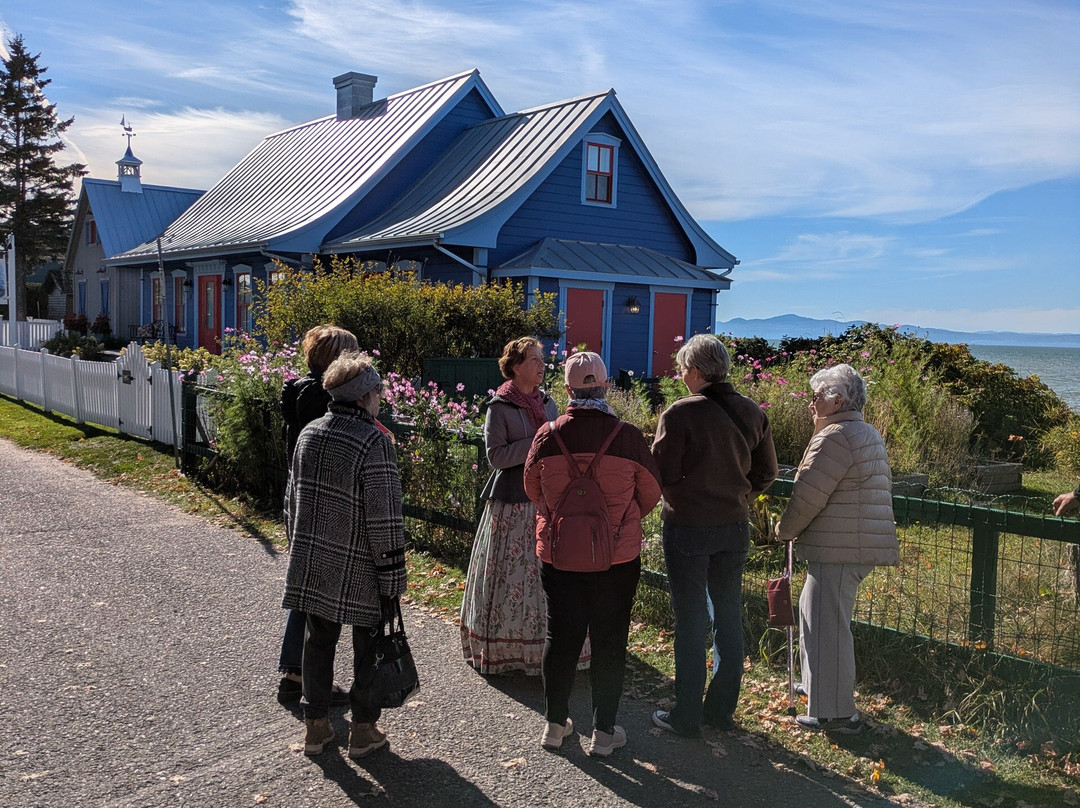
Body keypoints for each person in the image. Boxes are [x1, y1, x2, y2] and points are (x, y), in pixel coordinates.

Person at [524, 352, 661, 757]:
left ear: (567, 390)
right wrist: (622, 519)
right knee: (609, 640)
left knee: (560, 636)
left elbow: (532, 488)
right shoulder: (628, 436)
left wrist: (555, 516)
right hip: (616, 560)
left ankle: (554, 724)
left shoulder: (547, 435)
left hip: (560, 555)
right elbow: (651, 491)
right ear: (604, 387)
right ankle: (603, 732)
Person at [650, 334, 778, 737]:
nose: (680, 374)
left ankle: (686, 714)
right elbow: (767, 472)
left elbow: (661, 473)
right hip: (733, 526)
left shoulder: (680, 414)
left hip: (688, 526)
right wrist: (739, 494)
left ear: (697, 371)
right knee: (728, 616)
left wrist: (686, 493)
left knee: (690, 620)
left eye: (682, 368)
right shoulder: (752, 412)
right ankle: (720, 711)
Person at [282, 351, 407, 758]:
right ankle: (363, 730)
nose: (381, 396)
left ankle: (316, 729)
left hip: (315, 560)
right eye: (378, 390)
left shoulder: (310, 434)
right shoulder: (374, 440)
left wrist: (297, 549)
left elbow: (292, 501)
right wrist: (393, 579)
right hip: (361, 565)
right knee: (367, 646)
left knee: (317, 642)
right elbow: (385, 517)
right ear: (363, 395)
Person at [775, 363, 899, 735]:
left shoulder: (836, 436)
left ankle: (835, 713)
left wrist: (785, 530)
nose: (810, 405)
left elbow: (808, 496)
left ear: (836, 399)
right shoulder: (863, 431)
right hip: (851, 544)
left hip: (839, 547)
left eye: (815, 398)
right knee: (815, 615)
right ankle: (819, 690)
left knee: (826, 625)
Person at [461, 337, 583, 675]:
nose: (542, 366)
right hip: (513, 503)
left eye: (542, 359)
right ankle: (508, 650)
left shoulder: (550, 403)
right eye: (534, 360)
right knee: (512, 579)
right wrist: (539, 441)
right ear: (515, 366)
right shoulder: (499, 407)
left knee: (549, 579)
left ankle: (552, 649)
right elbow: (496, 456)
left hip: (548, 502)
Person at [277, 325, 361, 706]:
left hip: (302, 494)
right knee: (316, 595)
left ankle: (295, 672)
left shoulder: (297, 390)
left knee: (307, 587)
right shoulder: (321, 396)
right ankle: (302, 675)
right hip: (325, 499)